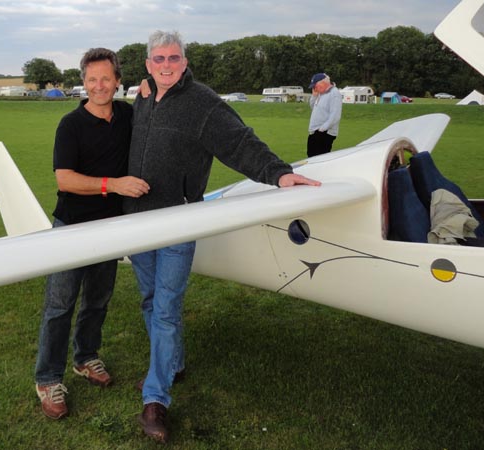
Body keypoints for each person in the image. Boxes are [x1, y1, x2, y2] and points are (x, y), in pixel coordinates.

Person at [124, 30, 321, 443]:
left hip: (180, 221)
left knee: (165, 309)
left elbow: (240, 143)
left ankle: (155, 400)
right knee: (150, 301)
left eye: (173, 59)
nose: (165, 66)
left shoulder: (203, 105)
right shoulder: (142, 98)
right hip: (135, 222)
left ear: (184, 61)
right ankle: (173, 363)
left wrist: (279, 174)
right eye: (158, 59)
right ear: (147, 64)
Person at [34, 47, 150, 420]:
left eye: (106, 78)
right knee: (60, 305)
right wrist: (113, 185)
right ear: (83, 83)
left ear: (118, 81)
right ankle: (48, 378)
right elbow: (64, 179)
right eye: (91, 79)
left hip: (111, 229)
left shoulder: (128, 116)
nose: (99, 86)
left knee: (97, 301)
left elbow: (158, 118)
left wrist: (152, 90)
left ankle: (85, 358)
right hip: (71, 227)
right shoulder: (71, 125)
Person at [306, 72, 343, 157]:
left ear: (323, 83)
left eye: (315, 86)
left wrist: (322, 129)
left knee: (320, 158)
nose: (314, 88)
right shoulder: (321, 94)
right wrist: (314, 96)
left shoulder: (334, 94)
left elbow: (335, 115)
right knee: (311, 157)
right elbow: (313, 108)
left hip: (325, 133)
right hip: (315, 132)